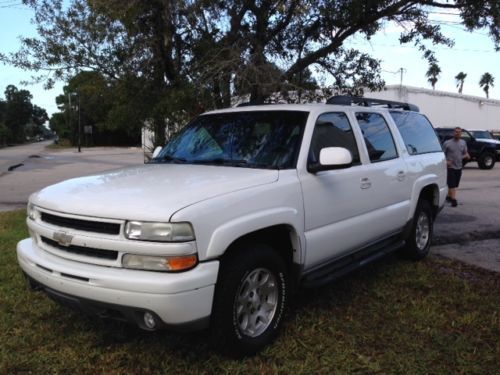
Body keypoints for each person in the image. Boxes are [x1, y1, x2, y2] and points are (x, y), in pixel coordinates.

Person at [443, 127, 470, 207]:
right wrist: (446, 162)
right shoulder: (447, 143)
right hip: (450, 167)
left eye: (459, 132)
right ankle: (453, 200)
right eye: (456, 132)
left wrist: (466, 156)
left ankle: (448, 196)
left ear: (461, 134)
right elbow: (442, 155)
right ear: (453, 133)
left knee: (455, 184)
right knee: (452, 184)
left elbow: (466, 153)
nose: (457, 133)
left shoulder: (463, 143)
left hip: (459, 167)